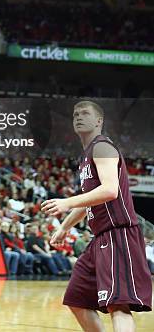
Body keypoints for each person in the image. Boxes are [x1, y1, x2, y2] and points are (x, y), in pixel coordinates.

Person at [42, 100, 152, 332]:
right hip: (99, 240)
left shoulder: (103, 147)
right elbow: (90, 199)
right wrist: (64, 227)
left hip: (118, 234)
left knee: (118, 306)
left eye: (85, 113)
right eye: (75, 114)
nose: (79, 117)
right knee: (77, 299)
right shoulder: (86, 156)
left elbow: (110, 190)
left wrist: (65, 202)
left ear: (99, 121)